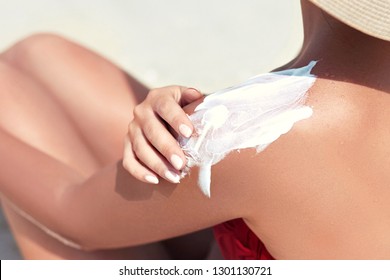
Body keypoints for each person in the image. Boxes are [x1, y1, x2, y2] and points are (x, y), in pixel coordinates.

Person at [0, 0, 389, 260]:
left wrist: (213, 126)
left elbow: (74, 217)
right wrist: (204, 122)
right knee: (39, 57)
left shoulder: (271, 127)